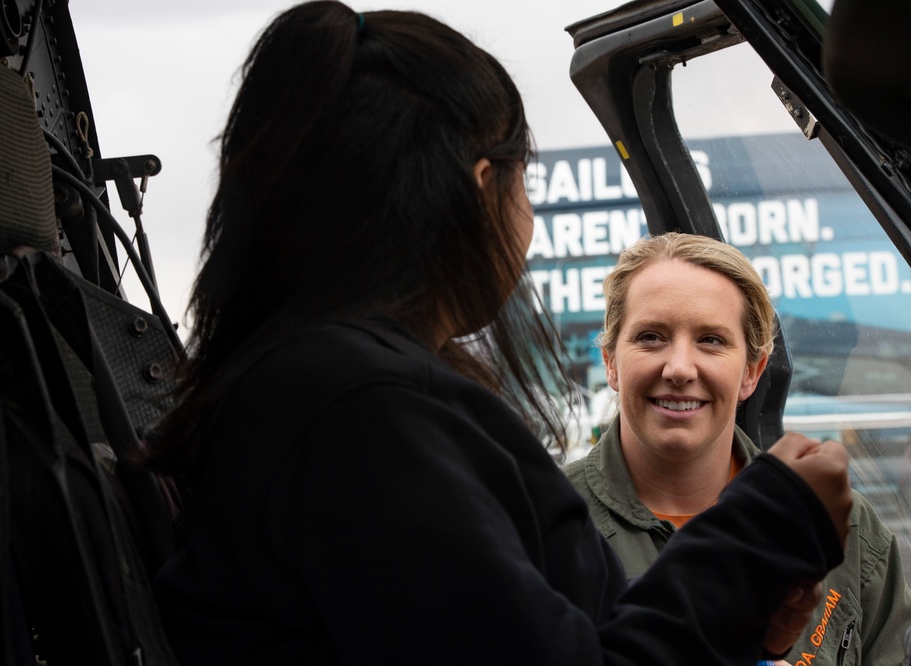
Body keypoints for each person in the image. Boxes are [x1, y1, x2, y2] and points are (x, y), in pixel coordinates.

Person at [145, 2, 852, 663]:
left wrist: (744, 622)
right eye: (524, 182)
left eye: (712, 341)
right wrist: (769, 523)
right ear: (483, 185)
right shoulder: (362, 417)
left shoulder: (320, 391)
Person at [565, 232, 911, 664]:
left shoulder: (842, 524)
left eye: (711, 340)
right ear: (611, 362)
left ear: (752, 371)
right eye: (651, 336)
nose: (678, 368)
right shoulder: (541, 526)